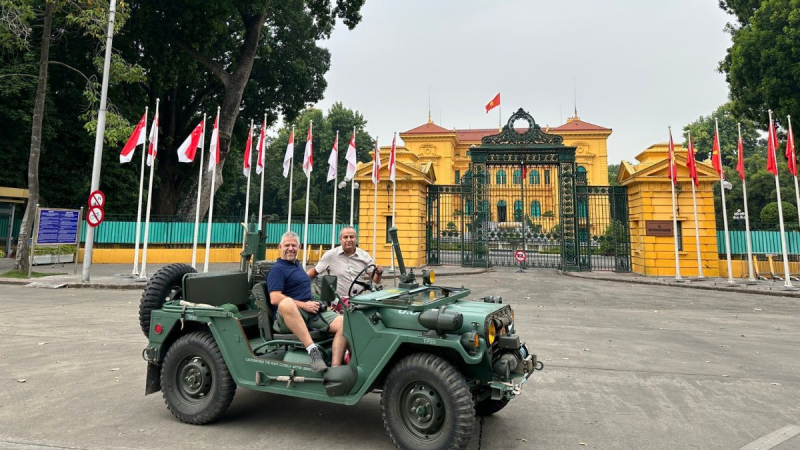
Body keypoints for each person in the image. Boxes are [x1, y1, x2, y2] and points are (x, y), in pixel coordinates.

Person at [266, 231, 346, 372]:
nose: (290, 248)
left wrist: (322, 307)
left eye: (294, 245)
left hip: (310, 313)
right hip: (289, 317)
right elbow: (275, 297)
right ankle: (313, 352)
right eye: (287, 245)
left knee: (346, 322)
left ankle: (336, 368)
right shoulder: (277, 270)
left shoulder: (297, 265)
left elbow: (306, 293)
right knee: (286, 302)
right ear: (280, 247)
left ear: (299, 247)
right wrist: (304, 305)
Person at [307, 226, 383, 298]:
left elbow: (376, 280)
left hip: (360, 301)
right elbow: (314, 272)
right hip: (339, 302)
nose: (349, 240)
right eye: (345, 237)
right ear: (340, 239)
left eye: (351, 237)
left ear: (356, 238)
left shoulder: (364, 256)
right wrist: (298, 279)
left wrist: (379, 273)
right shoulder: (330, 255)